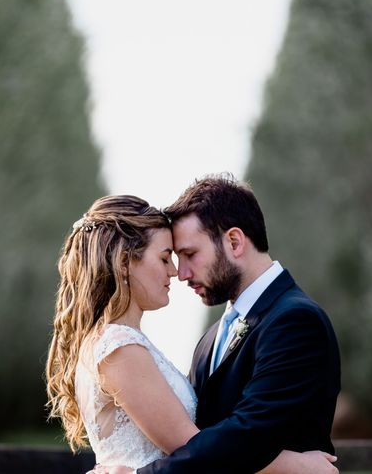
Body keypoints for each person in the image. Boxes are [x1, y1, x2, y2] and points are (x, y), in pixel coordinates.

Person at [45, 194, 337, 473]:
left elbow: (221, 437)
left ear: (234, 241)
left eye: (188, 255)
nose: (177, 272)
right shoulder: (120, 347)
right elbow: (190, 445)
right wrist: (293, 466)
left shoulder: (292, 320)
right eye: (165, 258)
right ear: (124, 263)